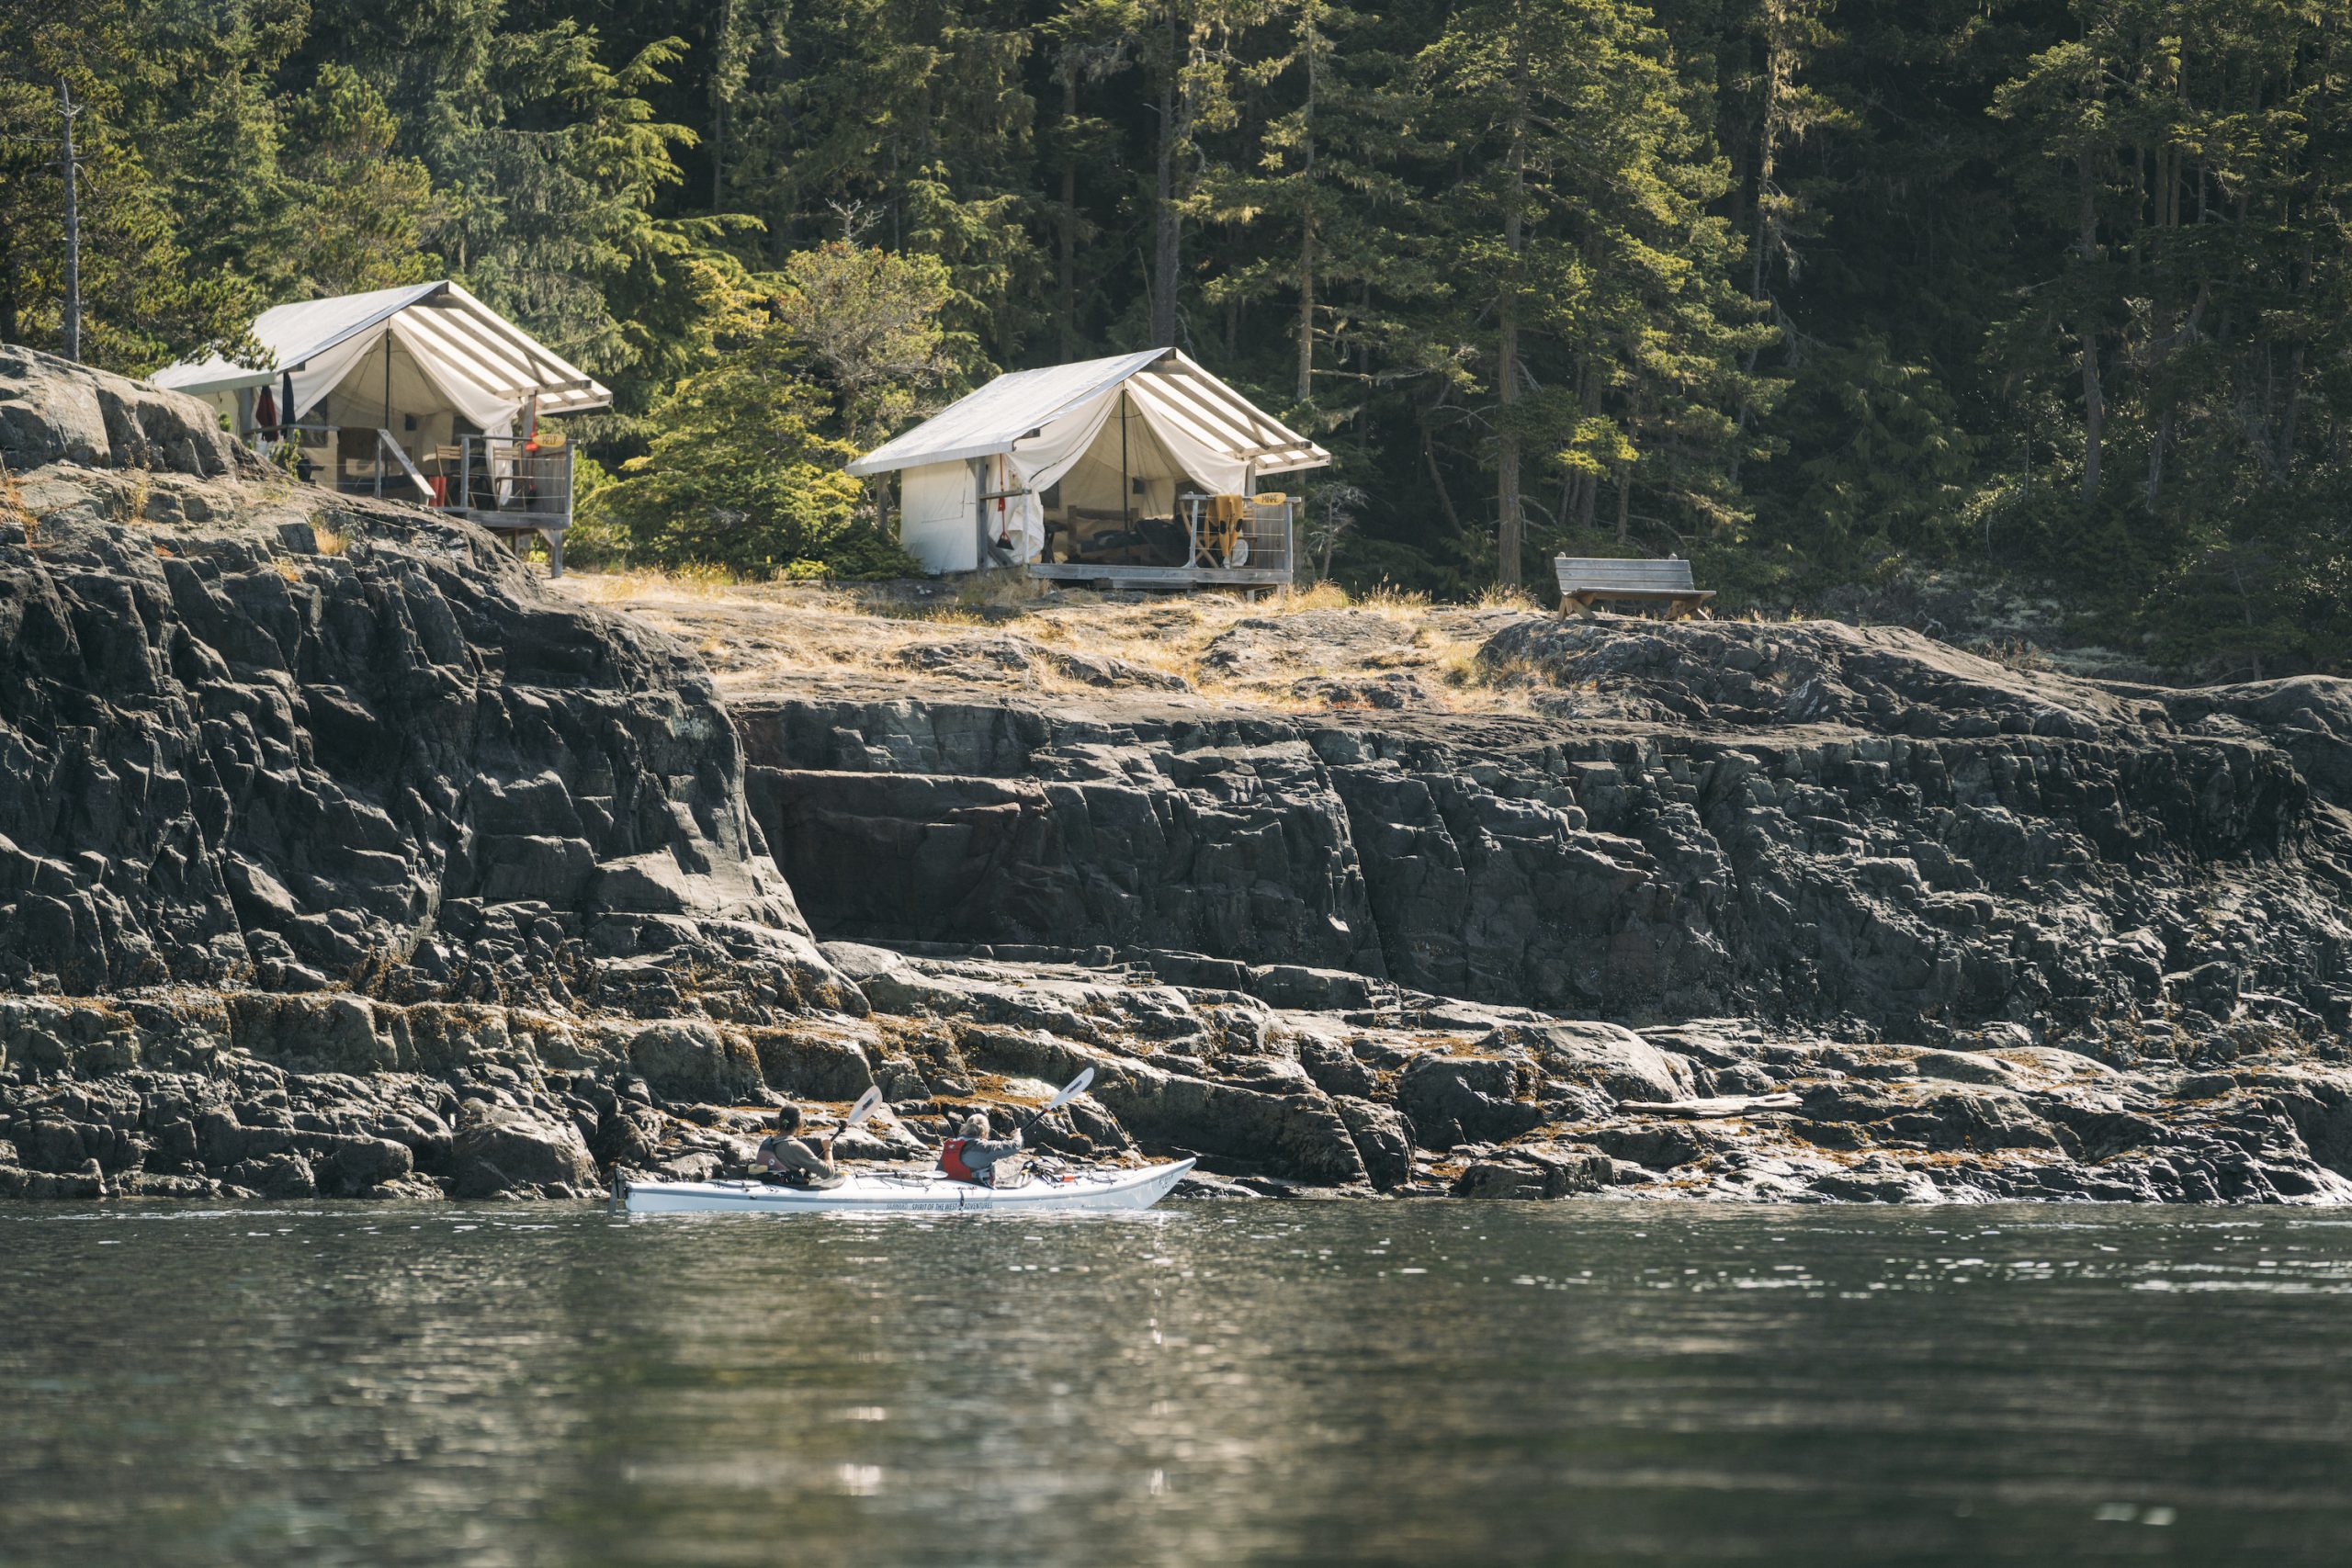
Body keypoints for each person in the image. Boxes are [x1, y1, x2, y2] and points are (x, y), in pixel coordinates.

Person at [754, 1105, 843, 1189]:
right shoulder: (795, 1146)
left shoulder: (767, 1142)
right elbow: (828, 1172)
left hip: (768, 1185)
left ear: (780, 1120)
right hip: (785, 1191)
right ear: (799, 1124)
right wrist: (828, 1149)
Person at [937, 1112, 1025, 1188]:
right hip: (978, 1191)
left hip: (949, 1189)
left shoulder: (949, 1146)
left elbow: (938, 1173)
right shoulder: (985, 1147)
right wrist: (1017, 1135)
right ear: (985, 1132)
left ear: (965, 1128)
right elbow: (1016, 1146)